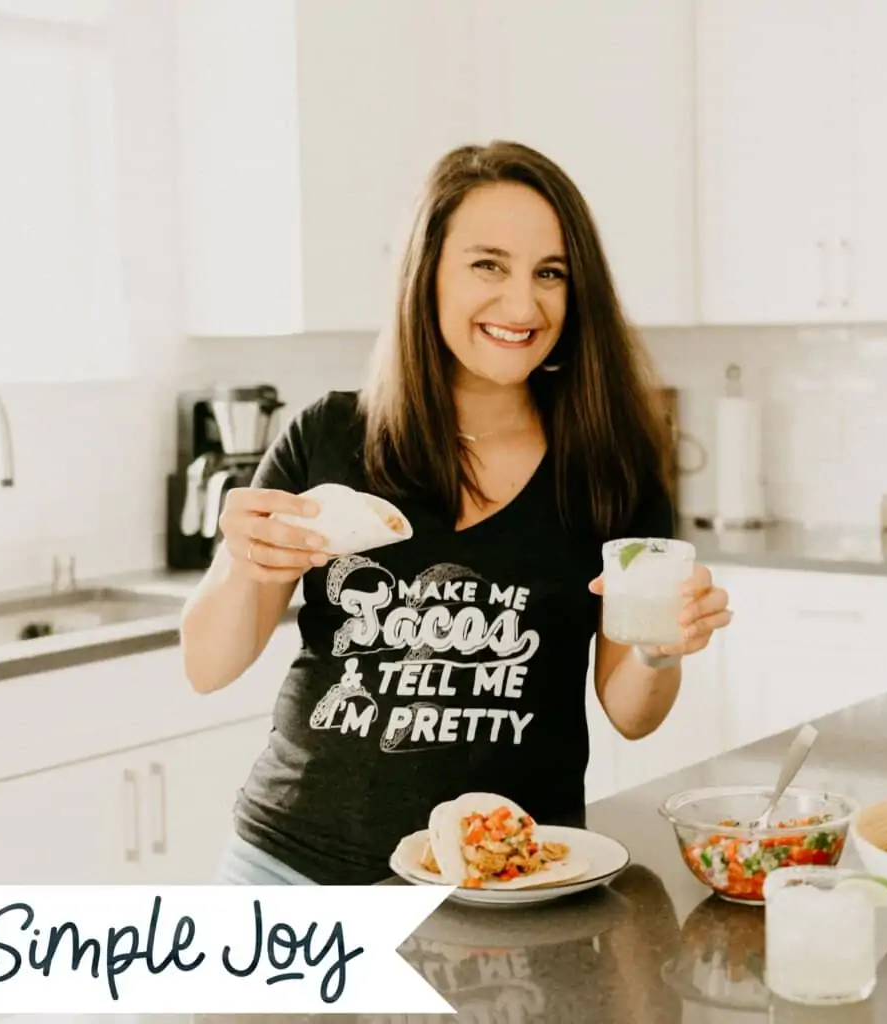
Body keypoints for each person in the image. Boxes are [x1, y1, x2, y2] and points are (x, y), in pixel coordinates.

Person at [179, 140, 732, 886]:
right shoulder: (331, 435)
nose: (522, 303)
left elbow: (631, 711)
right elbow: (208, 665)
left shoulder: (610, 469)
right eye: (488, 265)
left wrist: (664, 644)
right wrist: (246, 565)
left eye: (550, 274)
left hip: (509, 884)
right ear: (427, 273)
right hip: (288, 871)